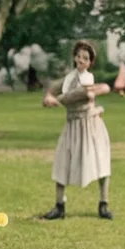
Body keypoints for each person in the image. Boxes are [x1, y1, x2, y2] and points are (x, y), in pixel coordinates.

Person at [40, 39, 114, 220]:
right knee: (62, 163)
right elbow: (52, 91)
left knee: (100, 163)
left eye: (85, 58)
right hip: (72, 125)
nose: (81, 60)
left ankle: (103, 204)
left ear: (90, 62)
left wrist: (91, 93)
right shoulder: (68, 79)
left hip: (90, 126)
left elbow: (102, 88)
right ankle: (59, 206)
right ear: (74, 57)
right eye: (79, 56)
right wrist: (49, 98)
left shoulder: (89, 80)